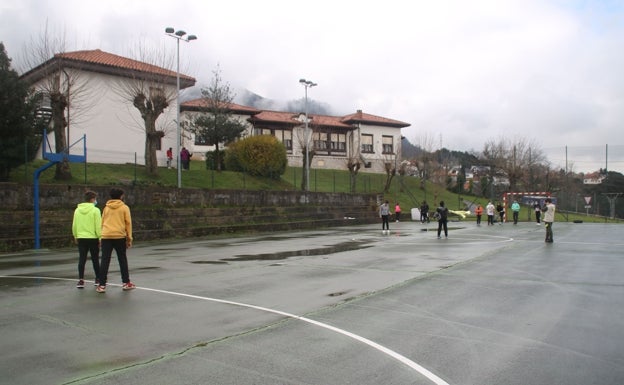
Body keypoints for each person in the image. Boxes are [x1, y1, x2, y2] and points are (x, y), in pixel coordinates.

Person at [97, 188, 135, 293]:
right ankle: (126, 282)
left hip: (106, 235)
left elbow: (102, 222)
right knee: (122, 259)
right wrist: (129, 238)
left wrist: (101, 236)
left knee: (105, 260)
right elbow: (128, 223)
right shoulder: (124, 208)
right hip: (119, 236)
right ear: (121, 196)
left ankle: (101, 285)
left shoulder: (106, 208)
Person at [72, 190, 101, 289]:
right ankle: (98, 278)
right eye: (95, 199)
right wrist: (100, 237)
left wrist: (75, 235)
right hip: (93, 238)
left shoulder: (77, 210)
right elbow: (98, 226)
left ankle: (81, 280)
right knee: (95, 259)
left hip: (81, 237)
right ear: (92, 199)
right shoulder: (95, 210)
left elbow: (74, 224)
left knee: (82, 259)